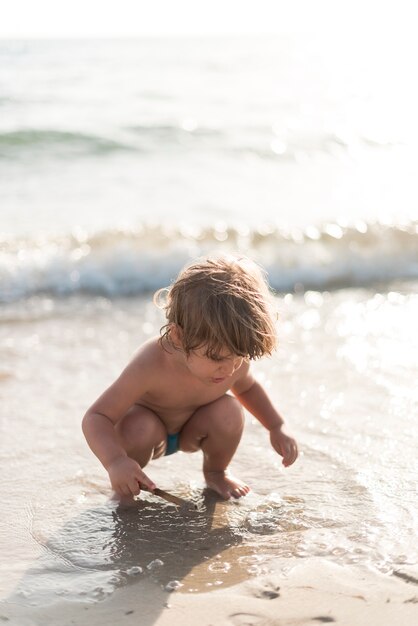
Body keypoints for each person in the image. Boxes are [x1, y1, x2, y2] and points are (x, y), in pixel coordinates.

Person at [82, 256, 298, 501]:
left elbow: (248, 389)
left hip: (194, 429)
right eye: (216, 357)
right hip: (149, 433)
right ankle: (127, 485)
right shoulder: (151, 363)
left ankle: (216, 473)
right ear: (178, 337)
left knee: (229, 410)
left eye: (238, 355)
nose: (229, 369)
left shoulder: (233, 361)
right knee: (138, 427)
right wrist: (116, 462)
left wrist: (276, 426)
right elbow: (97, 417)